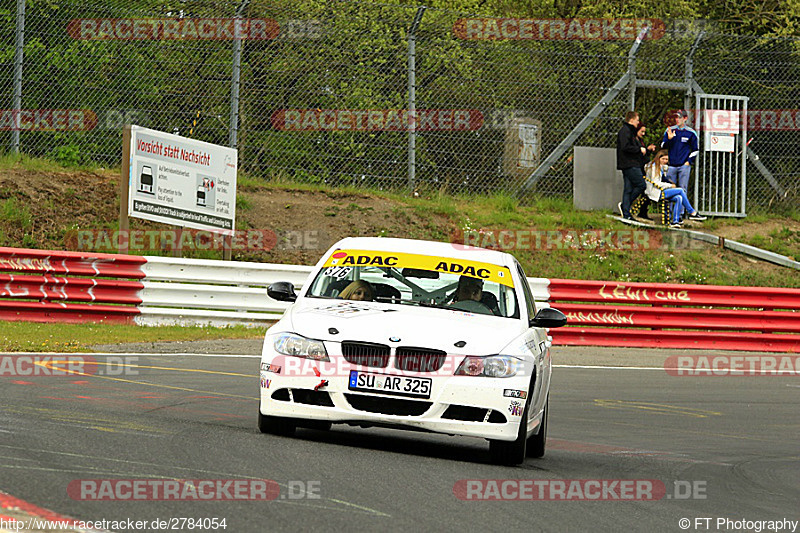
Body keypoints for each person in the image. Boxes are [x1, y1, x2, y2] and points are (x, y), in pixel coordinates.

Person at [637, 149, 707, 228]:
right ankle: (692, 212)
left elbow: (664, 179)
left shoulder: (662, 167)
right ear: (658, 158)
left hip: (662, 190)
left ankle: (675, 221)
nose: (665, 161)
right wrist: (670, 186)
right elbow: (656, 183)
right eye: (663, 159)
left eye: (666, 159)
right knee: (680, 190)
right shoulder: (653, 167)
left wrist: (670, 184)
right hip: (655, 191)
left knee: (678, 197)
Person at [616, 111, 647, 221]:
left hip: (630, 163)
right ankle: (626, 204)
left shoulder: (631, 132)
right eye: (637, 120)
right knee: (641, 185)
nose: (638, 122)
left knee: (628, 188)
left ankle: (626, 213)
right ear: (632, 119)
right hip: (629, 163)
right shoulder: (625, 131)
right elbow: (625, 147)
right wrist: (639, 149)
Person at [661, 109, 699, 194]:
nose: (677, 120)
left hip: (684, 166)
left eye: (679, 117)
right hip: (671, 165)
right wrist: (670, 139)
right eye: (676, 117)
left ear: (685, 118)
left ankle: (681, 207)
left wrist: (688, 162)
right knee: (669, 188)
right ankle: (670, 208)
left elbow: (695, 150)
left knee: (683, 189)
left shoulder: (691, 133)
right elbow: (663, 146)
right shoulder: (670, 130)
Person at [635, 123, 657, 218]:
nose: (643, 134)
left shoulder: (640, 141)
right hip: (638, 167)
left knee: (647, 189)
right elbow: (639, 155)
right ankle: (634, 208)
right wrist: (646, 150)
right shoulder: (634, 141)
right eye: (642, 131)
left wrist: (648, 150)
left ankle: (643, 211)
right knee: (642, 188)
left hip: (644, 167)